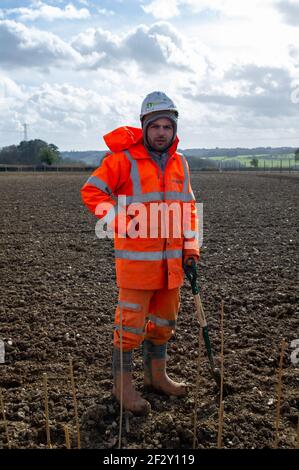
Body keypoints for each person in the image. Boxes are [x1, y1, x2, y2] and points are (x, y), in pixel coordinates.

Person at [81, 91, 199, 415]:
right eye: (156, 126)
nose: (162, 132)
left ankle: (156, 376)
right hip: (136, 267)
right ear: (144, 127)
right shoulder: (124, 160)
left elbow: (189, 208)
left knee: (164, 323)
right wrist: (118, 220)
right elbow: (92, 190)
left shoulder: (180, 163)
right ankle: (122, 387)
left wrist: (191, 248)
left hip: (172, 267)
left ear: (174, 130)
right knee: (130, 328)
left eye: (168, 126)